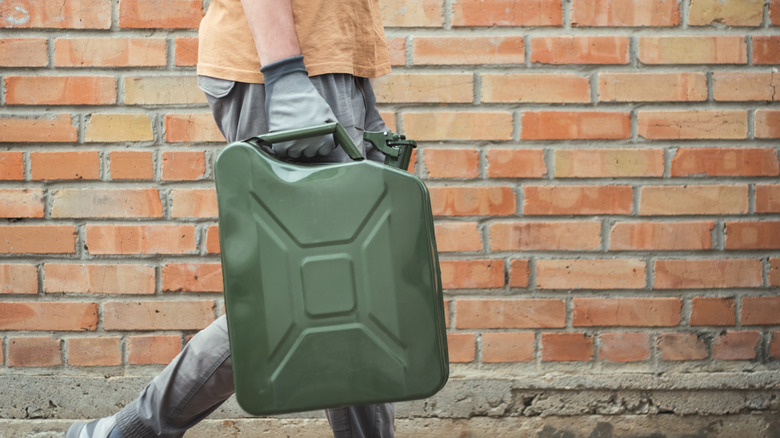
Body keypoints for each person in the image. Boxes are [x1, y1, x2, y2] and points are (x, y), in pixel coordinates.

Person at [66, 0, 394, 436]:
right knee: (319, 288)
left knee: (346, 285)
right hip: (285, 65)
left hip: (329, 63)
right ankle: (131, 430)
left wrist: (358, 82)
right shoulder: (287, 70)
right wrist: (286, 74)